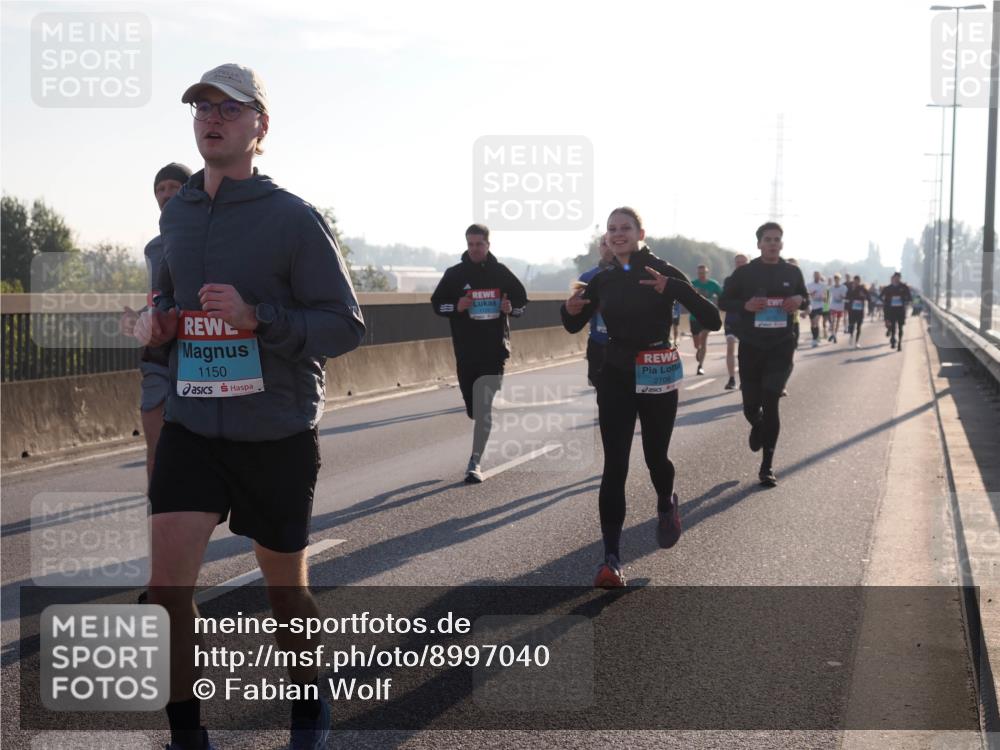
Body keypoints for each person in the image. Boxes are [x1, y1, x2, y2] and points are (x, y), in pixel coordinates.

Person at [136, 63, 365, 750]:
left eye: (229, 109)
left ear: (259, 126)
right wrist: (161, 326)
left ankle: (307, 703)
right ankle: (187, 734)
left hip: (276, 432)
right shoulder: (175, 215)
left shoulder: (293, 219)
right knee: (168, 590)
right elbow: (168, 303)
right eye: (201, 107)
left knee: (284, 595)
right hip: (193, 424)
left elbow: (346, 324)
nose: (212, 118)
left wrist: (256, 317)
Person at [561, 207, 721, 588]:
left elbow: (713, 320)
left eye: (625, 228)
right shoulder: (604, 279)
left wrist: (676, 290)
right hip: (615, 373)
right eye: (612, 229)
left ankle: (666, 502)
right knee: (614, 464)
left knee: (655, 458)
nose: (618, 235)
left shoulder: (662, 271)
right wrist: (566, 309)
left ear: (640, 232)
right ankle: (611, 560)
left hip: (657, 371)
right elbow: (573, 325)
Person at [431, 224, 528, 483]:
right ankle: (476, 424)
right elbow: (437, 304)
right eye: (470, 244)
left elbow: (521, 301)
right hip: (466, 351)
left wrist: (510, 308)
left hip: (495, 351)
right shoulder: (454, 274)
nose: (474, 249)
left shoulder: (501, 272)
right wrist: (458, 306)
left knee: (484, 408)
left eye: (479, 244)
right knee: (474, 409)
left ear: (488, 245)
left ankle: (475, 462)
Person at [719, 222, 808, 487]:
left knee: (771, 402)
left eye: (777, 239)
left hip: (781, 346)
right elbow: (723, 301)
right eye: (768, 239)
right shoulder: (746, 273)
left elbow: (805, 296)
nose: (772, 243)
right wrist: (745, 305)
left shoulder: (792, 272)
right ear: (759, 243)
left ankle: (767, 466)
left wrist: (800, 301)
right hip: (751, 345)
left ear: (782, 244)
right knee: (750, 406)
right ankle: (756, 424)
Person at [120, 162, 192, 485]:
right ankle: (158, 515)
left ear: (188, 190)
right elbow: (157, 298)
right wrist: (139, 319)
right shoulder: (153, 248)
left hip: (195, 357)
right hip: (158, 360)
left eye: (173, 187)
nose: (165, 193)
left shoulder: (203, 238)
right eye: (160, 189)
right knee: (156, 449)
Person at [575, 234, 614, 387]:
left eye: (610, 243)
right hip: (598, 342)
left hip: (625, 346)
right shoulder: (587, 277)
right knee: (602, 394)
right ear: (599, 249)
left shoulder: (630, 273)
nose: (607, 247)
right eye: (604, 244)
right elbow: (577, 314)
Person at [690, 264, 723, 375]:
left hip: (708, 316)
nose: (702, 275)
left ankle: (700, 366)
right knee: (696, 344)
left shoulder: (713, 284)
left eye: (703, 273)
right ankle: (698, 349)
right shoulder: (693, 284)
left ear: (707, 273)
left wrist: (720, 305)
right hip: (694, 317)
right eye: (700, 273)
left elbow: (722, 295)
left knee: (703, 338)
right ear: (697, 273)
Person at [722, 253, 748, 389]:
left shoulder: (753, 280)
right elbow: (724, 301)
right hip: (732, 319)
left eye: (743, 262)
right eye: (738, 262)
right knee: (730, 345)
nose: (740, 264)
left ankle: (745, 379)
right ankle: (731, 379)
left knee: (745, 352)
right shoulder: (729, 280)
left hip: (747, 321)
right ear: (735, 264)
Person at [880, 272, 912, 351]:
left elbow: (909, 297)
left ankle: (900, 343)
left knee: (901, 327)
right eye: (895, 278)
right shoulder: (888, 288)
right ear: (893, 278)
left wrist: (906, 300)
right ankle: (893, 339)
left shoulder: (904, 287)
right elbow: (880, 296)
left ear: (900, 278)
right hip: (891, 310)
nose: (897, 279)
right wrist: (885, 301)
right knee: (893, 326)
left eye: (898, 278)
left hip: (900, 310)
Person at [845, 275, 868, 348]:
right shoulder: (850, 288)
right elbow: (846, 297)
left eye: (858, 281)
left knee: (859, 326)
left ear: (859, 281)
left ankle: (857, 342)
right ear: (853, 281)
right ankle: (851, 336)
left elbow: (868, 297)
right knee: (851, 325)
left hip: (860, 310)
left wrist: (863, 296)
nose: (856, 282)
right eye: (855, 281)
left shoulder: (862, 288)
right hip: (852, 310)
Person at [806, 271, 826, 348]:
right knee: (813, 324)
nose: (817, 277)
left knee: (816, 322)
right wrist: (811, 294)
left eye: (818, 275)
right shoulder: (809, 285)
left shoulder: (823, 286)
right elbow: (806, 294)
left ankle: (814, 340)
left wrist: (824, 299)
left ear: (820, 276)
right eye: (815, 275)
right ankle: (816, 336)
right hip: (811, 306)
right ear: (813, 276)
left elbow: (827, 297)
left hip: (820, 306)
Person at [827, 273, 847, 342]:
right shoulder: (831, 288)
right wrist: (826, 306)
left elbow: (846, 296)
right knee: (833, 320)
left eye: (837, 279)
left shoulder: (844, 287)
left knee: (838, 321)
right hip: (833, 305)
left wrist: (843, 297)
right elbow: (827, 296)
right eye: (835, 279)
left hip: (840, 306)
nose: (836, 281)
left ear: (839, 280)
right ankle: (832, 333)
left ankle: (835, 334)